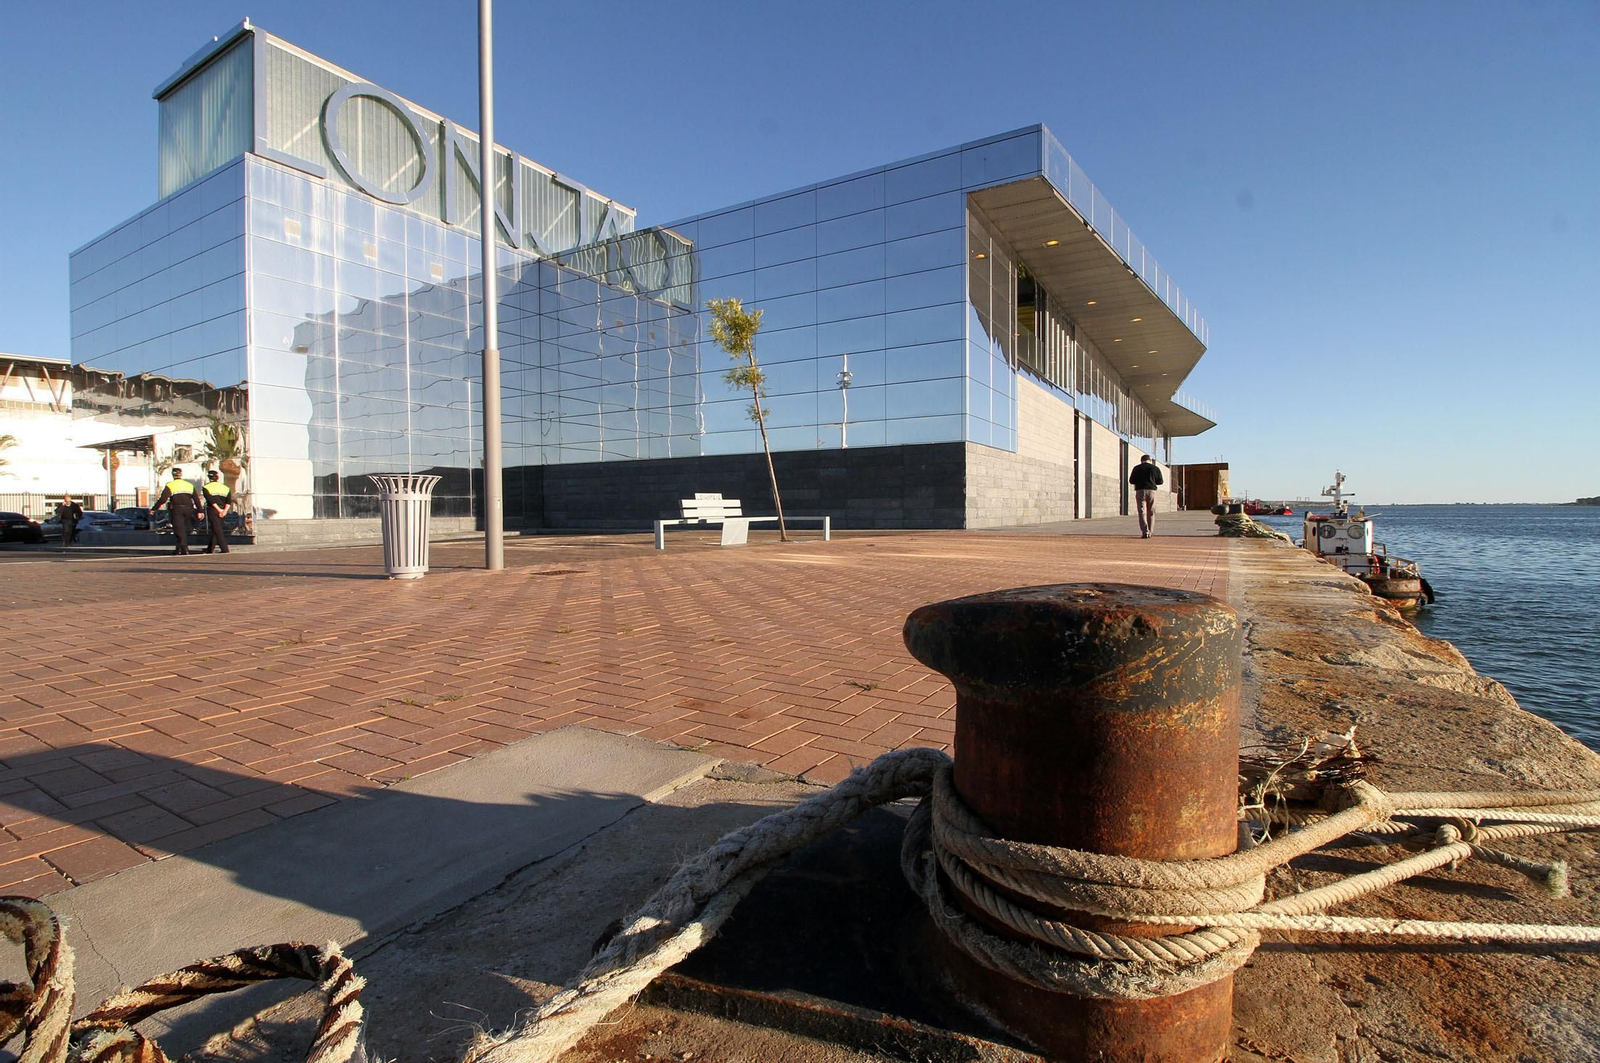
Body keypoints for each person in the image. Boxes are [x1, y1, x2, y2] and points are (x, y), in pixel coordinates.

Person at [151, 467, 204, 555]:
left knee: (179, 529)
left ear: (173, 475)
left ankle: (184, 547)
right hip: (189, 509)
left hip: (177, 509)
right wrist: (200, 511)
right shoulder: (189, 485)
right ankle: (178, 549)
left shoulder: (170, 485)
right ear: (181, 474)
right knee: (182, 529)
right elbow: (196, 499)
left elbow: (163, 499)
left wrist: (154, 508)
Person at [1129, 455, 1165, 538]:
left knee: (1142, 512)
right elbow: (1160, 481)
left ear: (1141, 460)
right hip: (1152, 491)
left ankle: (1145, 532)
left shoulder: (1136, 468)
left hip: (1140, 490)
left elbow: (1131, 481)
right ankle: (1151, 531)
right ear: (1150, 460)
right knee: (1151, 511)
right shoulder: (1155, 468)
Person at [200, 469, 233, 554]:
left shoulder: (206, 487)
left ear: (209, 477)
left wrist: (218, 510)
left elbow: (211, 500)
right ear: (217, 477)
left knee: (217, 529)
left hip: (213, 510)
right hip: (223, 510)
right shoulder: (225, 488)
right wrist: (224, 511)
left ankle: (224, 548)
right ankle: (210, 548)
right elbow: (229, 501)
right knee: (216, 529)